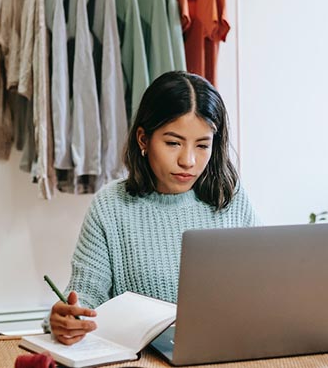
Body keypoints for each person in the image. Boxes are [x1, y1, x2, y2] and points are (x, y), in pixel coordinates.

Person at [47, 71, 259, 345]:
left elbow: (262, 287)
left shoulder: (231, 197)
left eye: (203, 145)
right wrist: (67, 319)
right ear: (143, 140)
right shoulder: (110, 207)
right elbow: (84, 298)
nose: (188, 160)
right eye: (173, 143)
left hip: (229, 351)